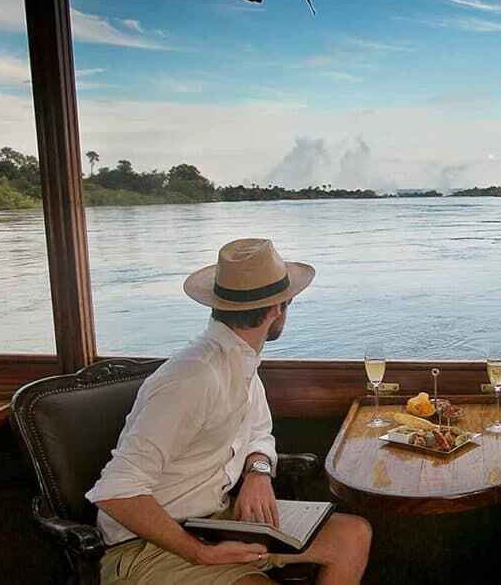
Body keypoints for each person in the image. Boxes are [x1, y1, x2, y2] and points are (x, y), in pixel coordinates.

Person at [86, 238, 372, 585]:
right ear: (277, 309)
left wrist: (258, 472)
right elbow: (116, 491)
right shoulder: (193, 376)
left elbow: (258, 433)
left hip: (215, 522)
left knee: (351, 536)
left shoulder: (241, 362)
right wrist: (199, 553)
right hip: (149, 546)